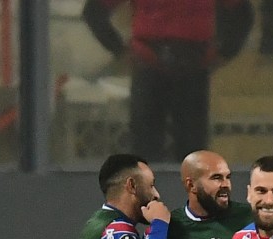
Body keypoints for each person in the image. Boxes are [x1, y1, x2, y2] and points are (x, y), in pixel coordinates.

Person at [82, 0, 249, 162]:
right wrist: (120, 50)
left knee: (189, 153)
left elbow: (243, 14)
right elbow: (94, 11)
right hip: (155, 65)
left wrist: (226, 52)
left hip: (188, 68)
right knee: (149, 151)